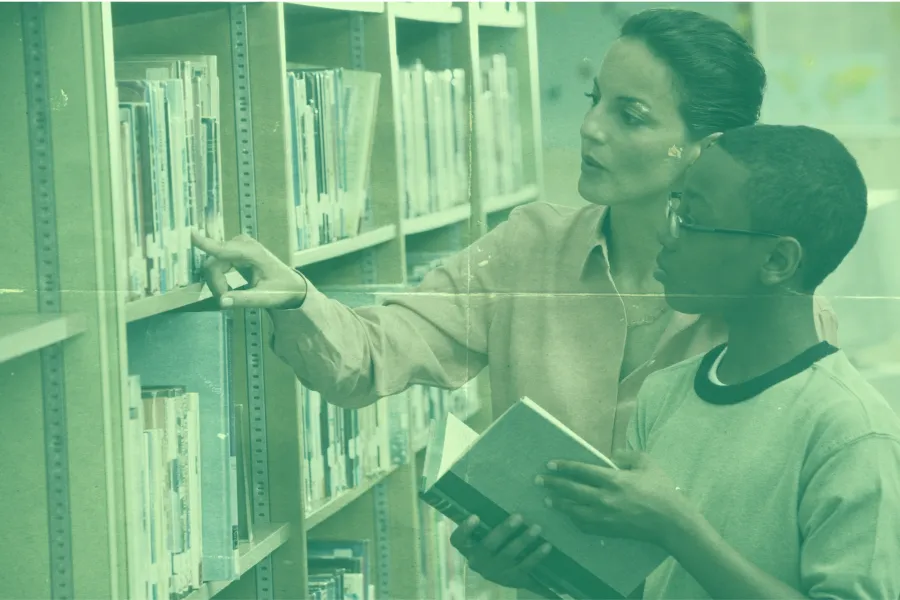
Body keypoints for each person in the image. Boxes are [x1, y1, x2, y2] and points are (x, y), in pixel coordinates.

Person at [191, 8, 838, 598]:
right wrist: (294, 294)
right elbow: (371, 356)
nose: (590, 129)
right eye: (594, 102)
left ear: (705, 148)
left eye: (629, 115)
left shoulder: (770, 309)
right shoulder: (530, 247)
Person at [538, 124, 900, 600]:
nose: (666, 236)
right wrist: (535, 572)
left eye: (692, 220)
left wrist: (678, 529)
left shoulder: (851, 431)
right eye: (676, 208)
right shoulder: (665, 393)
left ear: (776, 260)